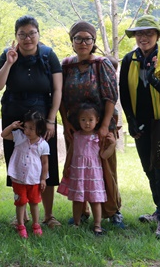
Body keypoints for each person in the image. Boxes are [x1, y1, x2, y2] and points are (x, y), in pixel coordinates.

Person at [0, 15, 63, 228]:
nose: (27, 38)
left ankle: (48, 215)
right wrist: (9, 63)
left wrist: (51, 119)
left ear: (38, 34)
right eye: (22, 34)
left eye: (32, 33)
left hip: (41, 117)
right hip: (14, 115)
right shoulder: (8, 54)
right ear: (16, 36)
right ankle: (21, 216)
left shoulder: (48, 55)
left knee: (45, 162)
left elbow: (58, 89)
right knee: (18, 162)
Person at [119, 15, 160, 240]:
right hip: (141, 124)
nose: (143, 37)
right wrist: (130, 120)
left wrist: (154, 80)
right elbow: (124, 93)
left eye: (148, 33)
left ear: (157, 36)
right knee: (149, 168)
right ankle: (159, 210)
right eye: (139, 33)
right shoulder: (129, 60)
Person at [58, 21, 123, 228]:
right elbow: (60, 97)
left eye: (88, 39)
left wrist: (104, 126)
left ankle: (113, 211)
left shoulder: (102, 64)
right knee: (78, 168)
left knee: (105, 169)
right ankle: (82, 211)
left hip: (101, 126)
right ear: (72, 41)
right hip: (75, 127)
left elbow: (111, 97)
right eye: (78, 38)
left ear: (94, 42)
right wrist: (66, 123)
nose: (83, 43)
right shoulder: (66, 65)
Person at [58, 104, 116, 236]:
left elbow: (104, 155)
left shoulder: (98, 137)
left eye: (90, 120)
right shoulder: (76, 136)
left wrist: (112, 144)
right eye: (83, 120)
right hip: (78, 173)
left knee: (95, 200)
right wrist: (66, 166)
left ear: (97, 120)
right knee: (77, 199)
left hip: (94, 175)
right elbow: (71, 153)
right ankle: (76, 223)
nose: (87, 123)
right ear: (78, 121)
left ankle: (97, 225)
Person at [0, 111, 50, 239]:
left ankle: (36, 225)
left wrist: (43, 179)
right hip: (18, 178)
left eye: (31, 128)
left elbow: (45, 163)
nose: (27, 131)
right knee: (20, 202)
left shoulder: (43, 144)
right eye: (26, 127)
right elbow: (4, 135)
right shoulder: (19, 136)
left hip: (34, 179)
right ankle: (21, 226)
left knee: (34, 202)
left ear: (40, 129)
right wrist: (12, 126)